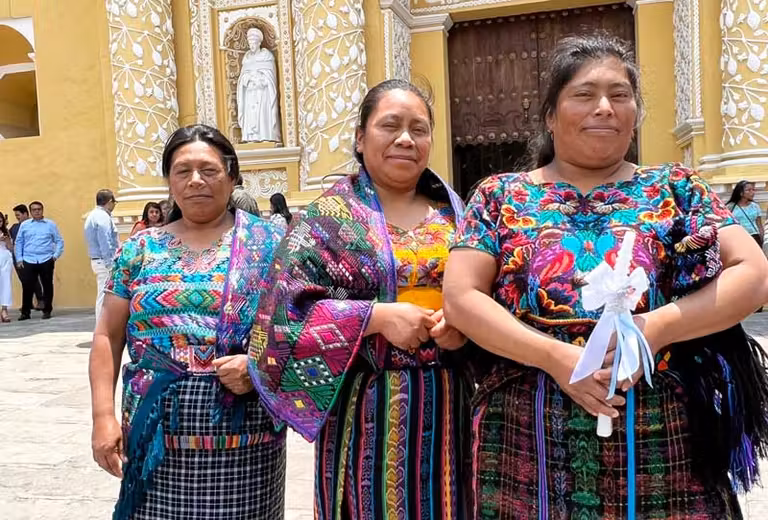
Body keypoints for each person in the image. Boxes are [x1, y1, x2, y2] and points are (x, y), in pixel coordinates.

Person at [443, 35, 768, 519]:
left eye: (620, 95)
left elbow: (753, 273)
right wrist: (554, 357)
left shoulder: (675, 188)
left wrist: (653, 330)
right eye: (583, 94)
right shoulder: (500, 196)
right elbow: (461, 296)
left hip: (663, 432)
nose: (604, 108)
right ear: (550, 116)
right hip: (524, 433)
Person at [249, 79, 470, 520]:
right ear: (360, 137)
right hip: (367, 409)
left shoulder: (456, 214)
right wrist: (374, 317)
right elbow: (281, 315)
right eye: (390, 125)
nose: (406, 139)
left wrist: (465, 324)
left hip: (451, 406)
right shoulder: (326, 219)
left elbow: (492, 293)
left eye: (419, 128)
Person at [88, 124, 287, 520]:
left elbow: (301, 329)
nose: (196, 180)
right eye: (183, 171)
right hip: (155, 433)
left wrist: (259, 365)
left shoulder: (270, 244)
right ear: (169, 181)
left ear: (232, 176)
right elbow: (107, 336)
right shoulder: (139, 249)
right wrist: (103, 417)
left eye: (209, 170)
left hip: (244, 434)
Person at [14, 201, 63, 320]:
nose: (37, 211)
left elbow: (59, 241)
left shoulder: (50, 224)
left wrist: (55, 255)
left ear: (42, 210)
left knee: (47, 285)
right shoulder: (25, 225)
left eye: (39, 209)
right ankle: (25, 312)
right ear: (30, 212)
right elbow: (19, 242)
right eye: (34, 210)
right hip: (28, 259)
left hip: (46, 259)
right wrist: (19, 259)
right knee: (27, 286)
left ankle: (47, 310)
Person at [237, 27, 281, 142]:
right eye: (250, 42)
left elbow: (271, 77)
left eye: (253, 42)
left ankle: (266, 135)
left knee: (263, 114)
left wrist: (262, 79)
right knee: (251, 115)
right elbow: (242, 78)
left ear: (259, 43)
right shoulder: (246, 58)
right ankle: (250, 137)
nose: (251, 45)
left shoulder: (267, 56)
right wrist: (247, 79)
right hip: (250, 93)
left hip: (263, 93)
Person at [84, 189, 119, 322]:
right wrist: (110, 263)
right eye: (114, 202)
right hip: (104, 261)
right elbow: (105, 240)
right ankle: (101, 325)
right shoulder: (102, 217)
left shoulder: (93, 215)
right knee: (104, 295)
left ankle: (104, 324)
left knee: (104, 294)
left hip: (98, 260)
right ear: (109, 202)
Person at [10, 204, 44, 310]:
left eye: (18, 215)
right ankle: (28, 303)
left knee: (33, 280)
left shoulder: (32, 225)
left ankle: (41, 300)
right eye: (16, 216)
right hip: (17, 258)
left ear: (25, 214)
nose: (17, 218)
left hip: (29, 257)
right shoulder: (15, 227)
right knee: (24, 281)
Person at [726, 180, 763, 246]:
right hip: (739, 238)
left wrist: (762, 241)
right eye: (748, 190)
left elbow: (759, 225)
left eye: (753, 190)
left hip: (755, 238)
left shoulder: (755, 206)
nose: (752, 192)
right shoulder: (730, 207)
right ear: (741, 193)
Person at [0, 213, 13, 322]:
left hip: (5, 258)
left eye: (0, 221)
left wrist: (6, 240)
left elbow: (10, 248)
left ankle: (4, 309)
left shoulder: (6, 231)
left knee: (6, 284)